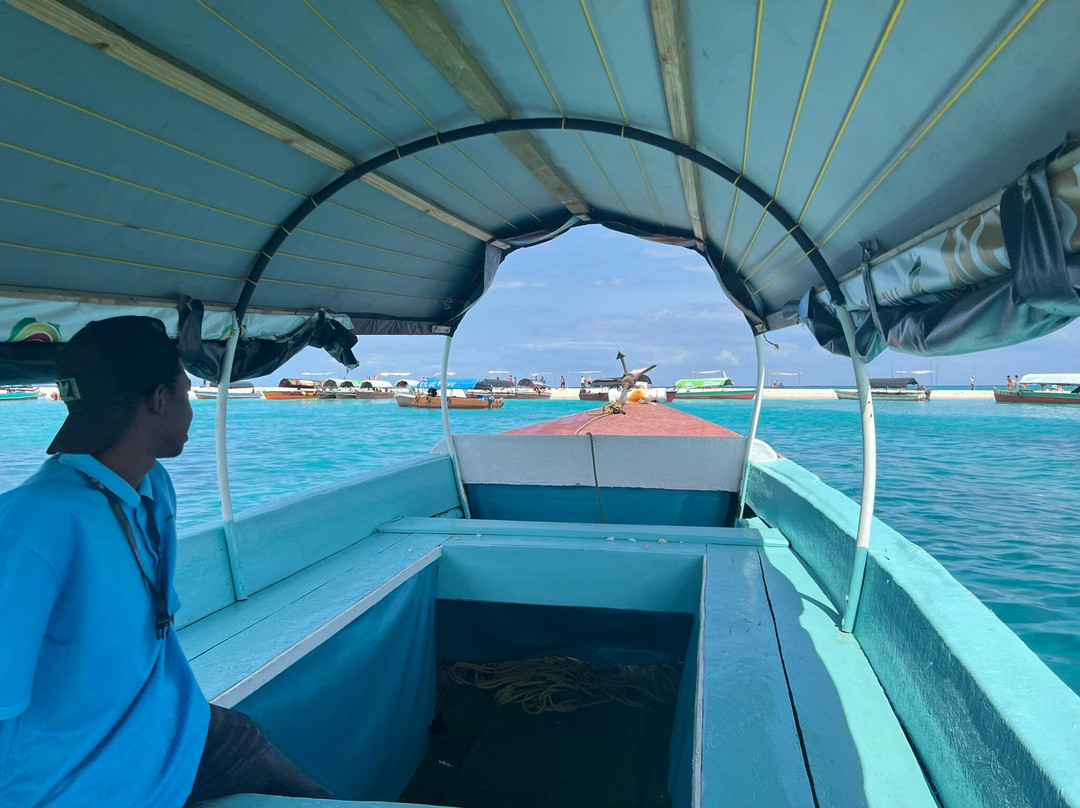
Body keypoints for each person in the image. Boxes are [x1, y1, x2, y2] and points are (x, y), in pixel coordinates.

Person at [0, 317, 333, 807]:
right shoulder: (31, 527)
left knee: (255, 747)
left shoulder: (153, 488)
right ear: (159, 399)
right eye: (186, 389)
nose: (191, 408)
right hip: (79, 779)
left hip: (173, 729)